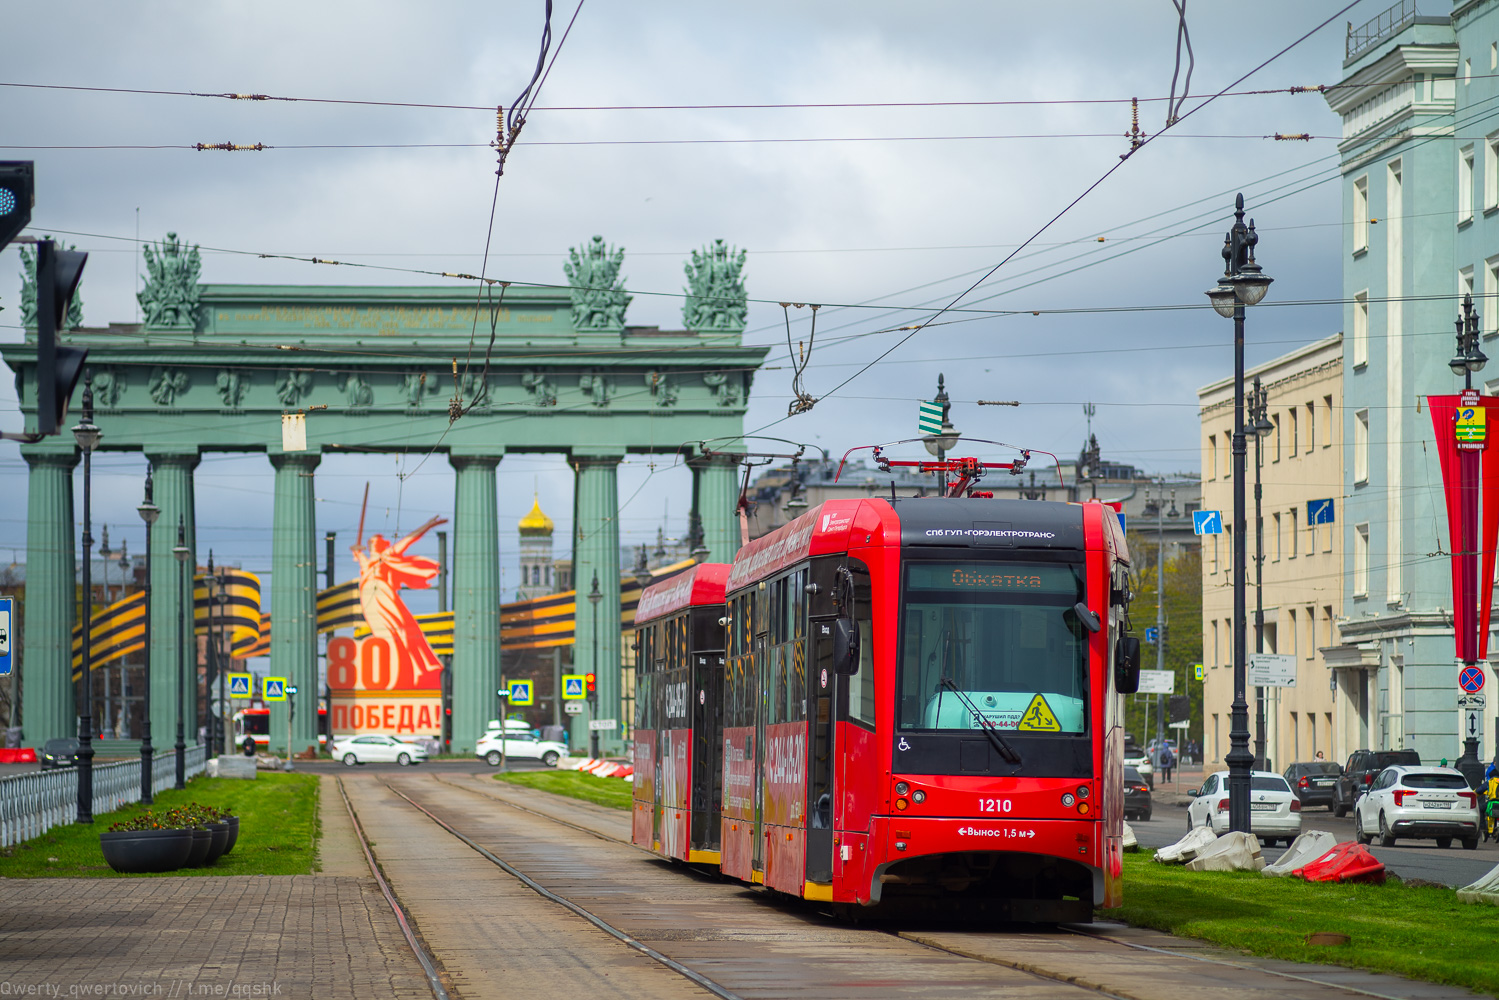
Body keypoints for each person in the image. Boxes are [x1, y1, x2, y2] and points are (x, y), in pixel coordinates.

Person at [353, 515, 448, 689]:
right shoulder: (367, 562)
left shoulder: (388, 555)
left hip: (385, 597)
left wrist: (427, 525)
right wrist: (358, 554)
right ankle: (392, 671)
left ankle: (412, 669)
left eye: (378, 541)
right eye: (373, 541)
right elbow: (363, 564)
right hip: (370, 600)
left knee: (401, 632)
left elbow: (409, 539)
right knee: (384, 634)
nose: (375, 543)